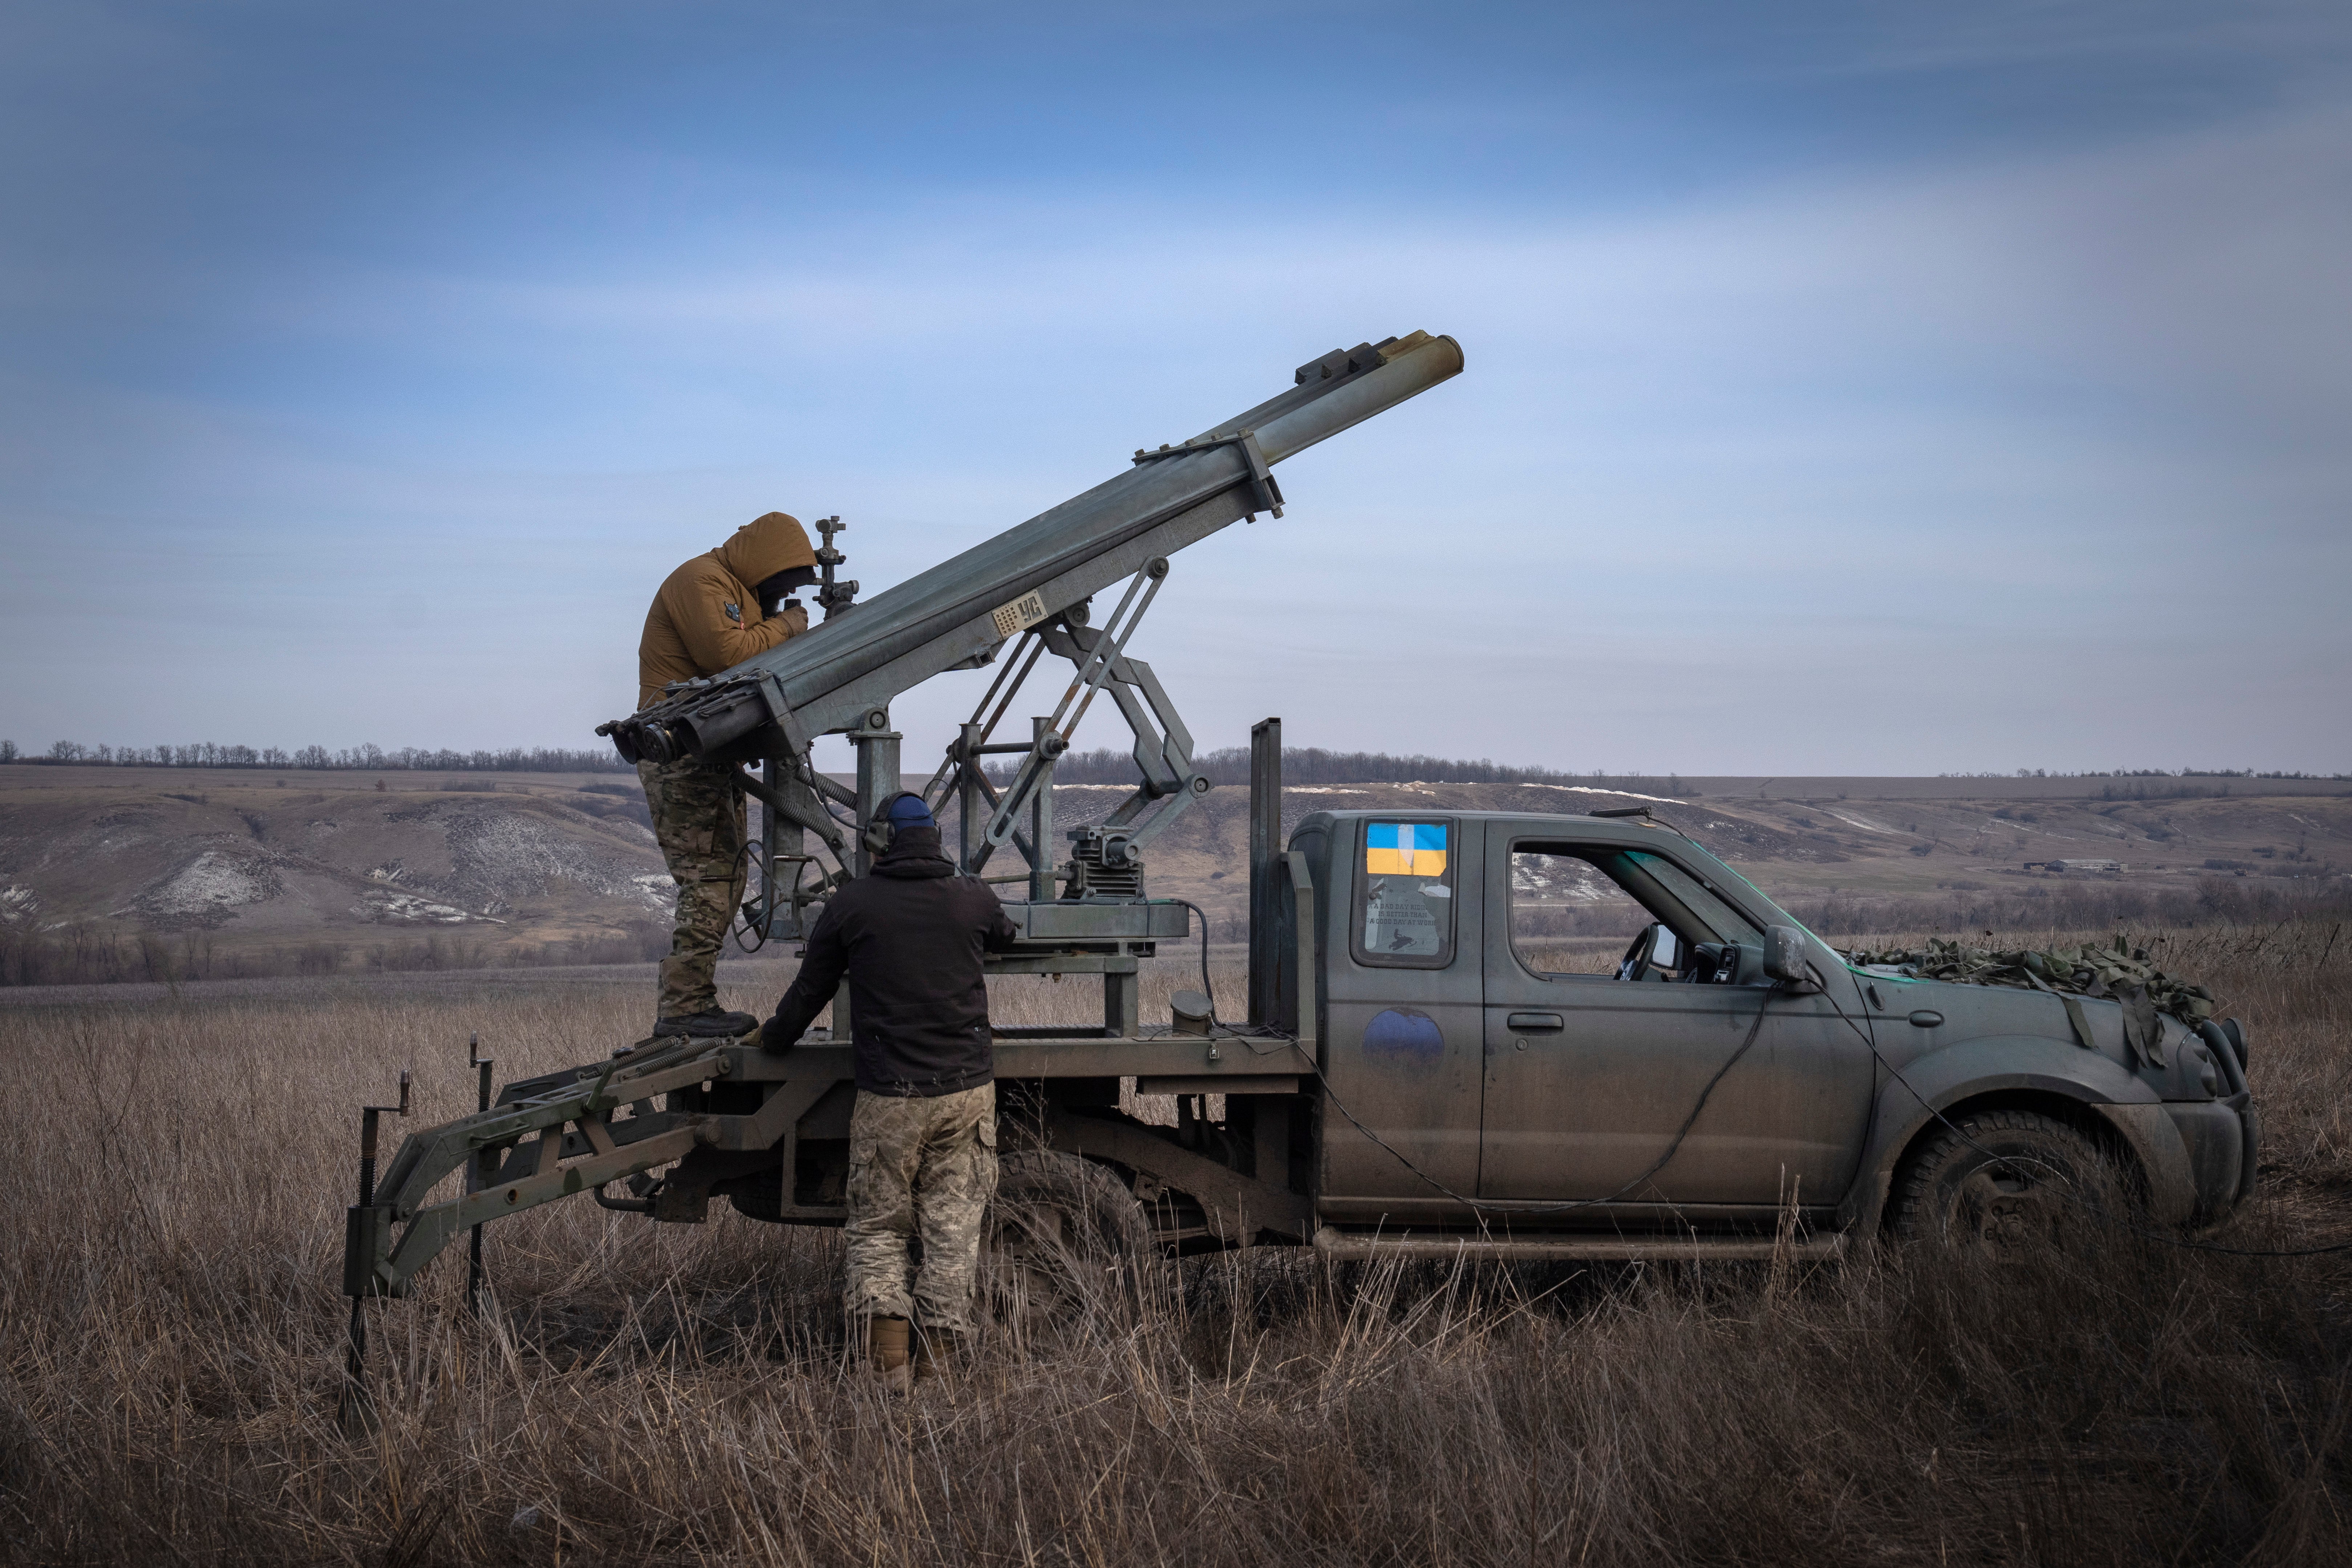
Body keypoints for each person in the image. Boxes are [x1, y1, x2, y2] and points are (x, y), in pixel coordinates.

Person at [759, 793, 1019, 1390]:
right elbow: (1005, 935)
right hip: (966, 1095)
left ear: (879, 842)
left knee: (878, 1230)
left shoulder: (853, 904)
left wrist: (774, 1039)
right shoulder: (972, 897)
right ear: (933, 838)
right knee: (953, 1232)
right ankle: (940, 1377)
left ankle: (890, 1377)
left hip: (890, 1099)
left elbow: (808, 992)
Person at [637, 511, 821, 1038]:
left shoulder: (730, 588)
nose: (779, 595)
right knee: (710, 878)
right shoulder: (702, 581)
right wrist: (789, 626)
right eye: (779, 582)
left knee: (728, 875)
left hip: (703, 756)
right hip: (678, 755)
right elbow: (728, 655)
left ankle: (691, 1001)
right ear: (763, 564)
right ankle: (683, 1008)